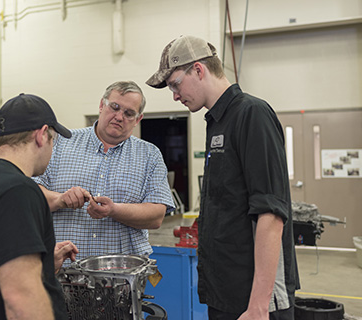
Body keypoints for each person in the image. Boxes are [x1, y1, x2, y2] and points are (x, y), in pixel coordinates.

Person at [146, 35, 299, 320]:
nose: (175, 96)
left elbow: (271, 213)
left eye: (176, 84)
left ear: (199, 70)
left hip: (253, 300)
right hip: (226, 294)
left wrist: (259, 305)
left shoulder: (252, 115)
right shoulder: (217, 123)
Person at [0, 93, 79, 320]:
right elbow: (20, 297)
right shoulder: (18, 190)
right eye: (53, 141)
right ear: (41, 136)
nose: (52, 150)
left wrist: (41, 262)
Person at [33, 81, 175, 264]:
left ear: (138, 120)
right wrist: (60, 199)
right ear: (101, 105)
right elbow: (31, 194)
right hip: (63, 270)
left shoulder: (149, 155)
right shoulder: (61, 143)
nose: (119, 116)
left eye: (129, 113)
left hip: (122, 276)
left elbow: (156, 216)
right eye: (114, 107)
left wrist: (115, 210)